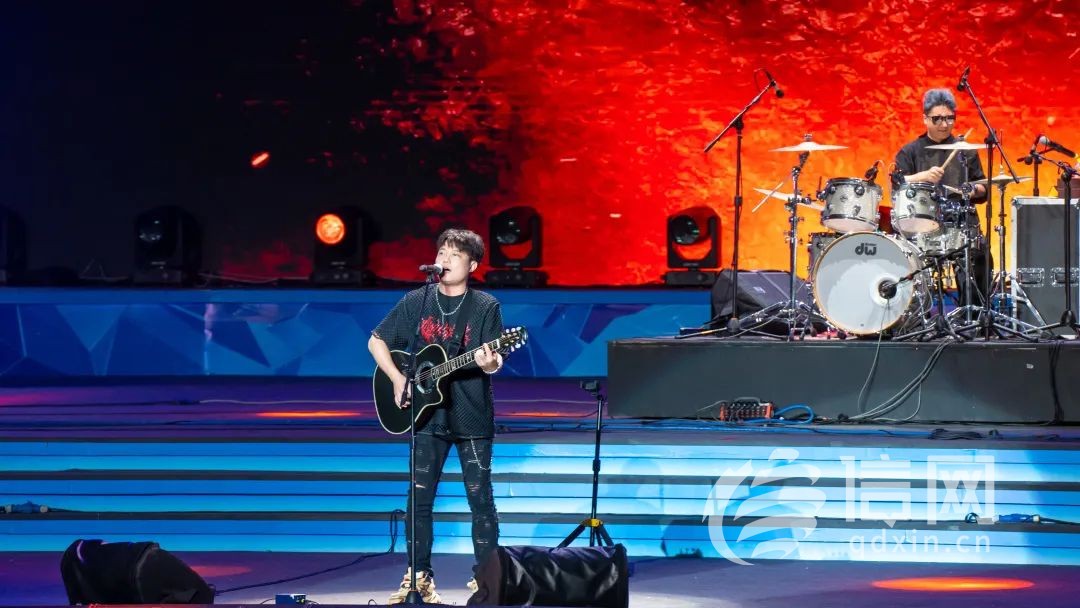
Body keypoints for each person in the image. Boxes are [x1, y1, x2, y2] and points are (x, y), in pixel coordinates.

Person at [368, 228, 504, 604]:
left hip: (471, 413)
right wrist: (398, 379)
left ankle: (488, 579)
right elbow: (376, 340)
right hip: (426, 416)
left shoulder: (485, 306)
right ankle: (418, 579)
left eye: (455, 255)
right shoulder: (419, 300)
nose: (445, 260)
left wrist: (489, 362)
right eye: (442, 252)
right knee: (419, 499)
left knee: (480, 499)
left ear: (472, 265)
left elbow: (494, 361)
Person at [895, 88, 991, 307]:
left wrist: (971, 190)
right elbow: (897, 182)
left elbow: (983, 188)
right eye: (937, 118)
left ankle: (973, 313)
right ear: (925, 119)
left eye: (949, 118)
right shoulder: (910, 151)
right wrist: (923, 176)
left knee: (980, 255)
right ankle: (915, 313)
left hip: (959, 222)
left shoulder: (965, 151)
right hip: (922, 225)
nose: (944, 124)